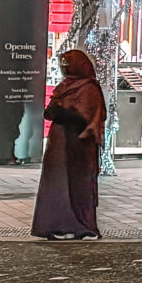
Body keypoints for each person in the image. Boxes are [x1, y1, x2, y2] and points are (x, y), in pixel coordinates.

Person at [33, 48, 104, 240]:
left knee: (78, 186)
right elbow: (50, 112)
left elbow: (88, 117)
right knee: (60, 184)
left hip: (79, 144)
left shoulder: (87, 88)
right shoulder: (69, 86)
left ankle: (81, 225)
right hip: (63, 143)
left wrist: (65, 111)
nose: (65, 69)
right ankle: (61, 225)